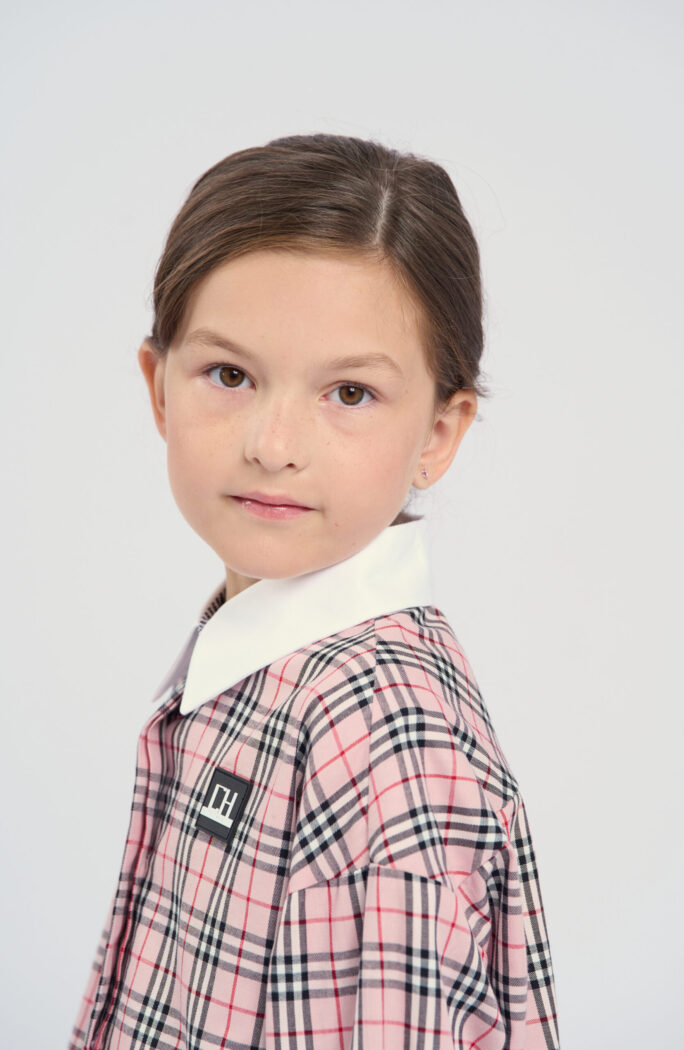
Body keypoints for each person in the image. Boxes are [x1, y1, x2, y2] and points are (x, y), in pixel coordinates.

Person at [68, 133, 559, 1049]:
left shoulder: (377, 743)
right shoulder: (249, 663)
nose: (274, 444)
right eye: (230, 375)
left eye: (350, 393)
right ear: (159, 388)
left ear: (440, 432)